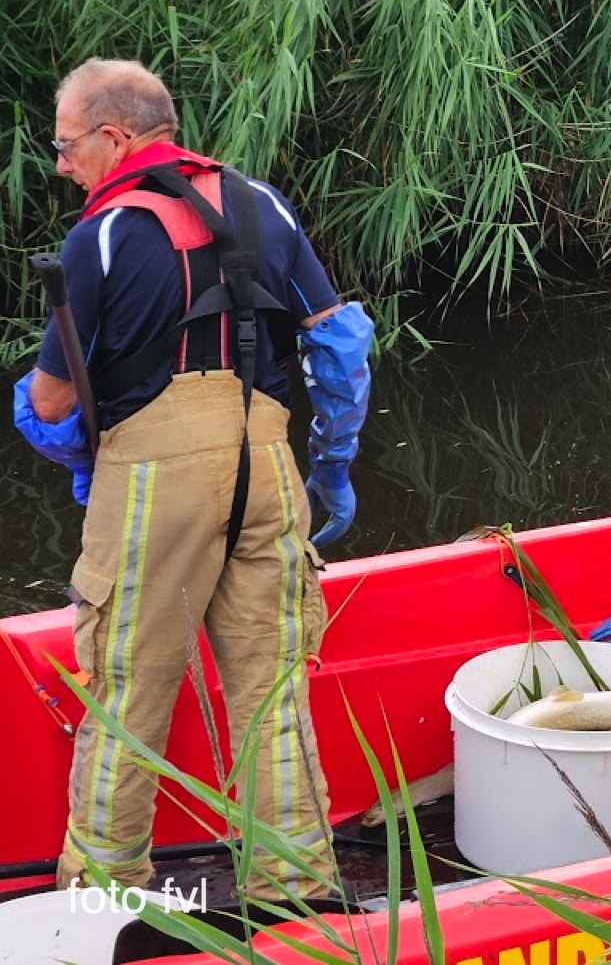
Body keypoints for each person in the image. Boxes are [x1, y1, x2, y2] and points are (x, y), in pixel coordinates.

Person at [11, 59, 372, 900]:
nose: (62, 167)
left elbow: (54, 400)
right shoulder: (262, 204)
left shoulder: (100, 236)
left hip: (153, 483)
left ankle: (100, 894)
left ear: (116, 136)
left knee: (126, 689)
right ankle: (296, 892)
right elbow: (343, 351)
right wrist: (333, 469)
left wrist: (71, 457)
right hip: (268, 463)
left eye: (66, 148)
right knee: (272, 687)